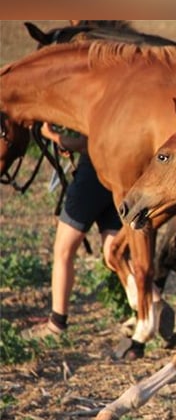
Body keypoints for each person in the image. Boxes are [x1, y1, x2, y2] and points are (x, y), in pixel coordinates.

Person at [22, 123, 123, 339]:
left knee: (63, 251)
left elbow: (88, 144)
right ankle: (153, 307)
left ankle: (56, 323)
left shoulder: (98, 95)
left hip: (91, 178)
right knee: (114, 255)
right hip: (116, 176)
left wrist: (52, 135)